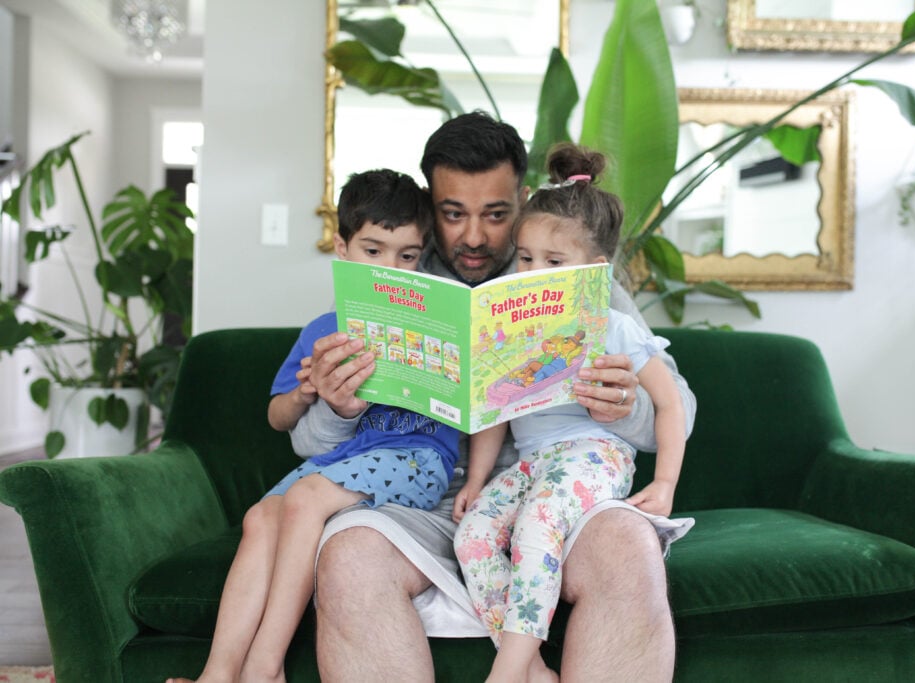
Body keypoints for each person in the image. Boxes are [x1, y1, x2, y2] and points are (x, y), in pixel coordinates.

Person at [294, 111, 697, 681]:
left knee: (628, 546)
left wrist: (626, 408)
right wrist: (337, 410)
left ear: (524, 198)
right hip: (422, 506)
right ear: (429, 205)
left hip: (559, 491)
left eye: (496, 214)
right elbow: (303, 439)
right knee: (348, 554)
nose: (475, 236)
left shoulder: (576, 275)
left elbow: (681, 406)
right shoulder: (391, 273)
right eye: (453, 214)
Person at [166, 169, 458, 683]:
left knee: (302, 502)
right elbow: (277, 416)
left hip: (418, 458)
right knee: (262, 518)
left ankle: (265, 666)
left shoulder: (437, 321)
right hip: (343, 461)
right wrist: (308, 392)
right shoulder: (325, 330)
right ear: (342, 249)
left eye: (406, 256)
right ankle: (218, 672)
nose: (390, 267)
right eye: (373, 251)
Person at [453, 143, 688, 682]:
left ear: (595, 270)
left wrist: (667, 482)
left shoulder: (616, 325)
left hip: (594, 454)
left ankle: (506, 672)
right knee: (473, 536)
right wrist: (480, 479)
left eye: (554, 263)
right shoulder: (510, 323)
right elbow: (495, 411)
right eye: (527, 258)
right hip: (533, 462)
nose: (535, 273)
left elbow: (670, 402)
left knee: (538, 528)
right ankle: (534, 668)